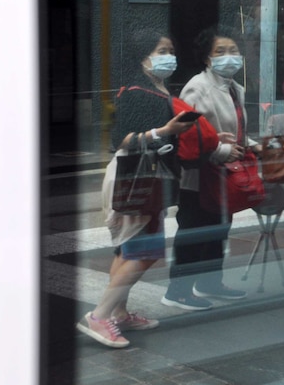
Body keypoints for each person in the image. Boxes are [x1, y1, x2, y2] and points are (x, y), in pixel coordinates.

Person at [78, 30, 196, 348]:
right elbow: (122, 140)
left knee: (128, 249)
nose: (168, 56)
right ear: (143, 57)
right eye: (161, 50)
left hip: (147, 175)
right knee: (142, 252)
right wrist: (167, 130)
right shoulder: (137, 92)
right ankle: (99, 316)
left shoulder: (156, 89)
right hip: (136, 176)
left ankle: (119, 312)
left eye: (171, 49)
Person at [162, 28, 261, 310]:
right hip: (201, 174)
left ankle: (209, 282)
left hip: (225, 173)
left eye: (233, 50)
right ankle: (177, 290)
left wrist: (251, 144)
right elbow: (189, 133)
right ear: (207, 59)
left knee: (219, 229)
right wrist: (220, 149)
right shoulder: (197, 87)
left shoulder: (235, 87)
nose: (228, 57)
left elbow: (236, 127)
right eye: (220, 52)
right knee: (194, 230)